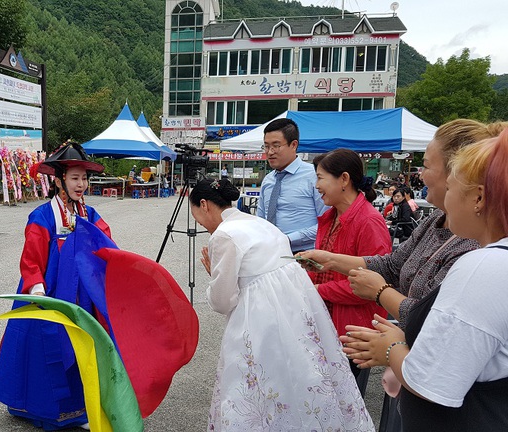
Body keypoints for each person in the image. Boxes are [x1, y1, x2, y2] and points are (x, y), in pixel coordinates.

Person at [298, 119, 489, 431]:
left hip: (417, 371)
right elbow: (390, 265)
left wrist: (380, 296)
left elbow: (438, 325)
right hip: (401, 361)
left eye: (427, 166)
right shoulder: (435, 221)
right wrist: (330, 260)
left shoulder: (476, 248)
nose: (420, 176)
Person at [342, 130, 508, 431]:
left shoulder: (483, 265)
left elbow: (433, 382)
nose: (444, 198)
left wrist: (391, 346)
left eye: (452, 187)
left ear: (479, 197)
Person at [190, 178, 373, 431]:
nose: (201, 223)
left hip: (257, 320)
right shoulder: (261, 224)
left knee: (258, 388)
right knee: (296, 379)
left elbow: (222, 301)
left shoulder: (224, 235)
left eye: (197, 216)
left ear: (204, 205)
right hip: (294, 314)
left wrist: (214, 279)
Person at [0, 141, 111, 430]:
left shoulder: (89, 214)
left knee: (81, 344)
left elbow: (106, 246)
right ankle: (38, 407)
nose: (81, 184)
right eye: (74, 178)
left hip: (81, 295)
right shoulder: (41, 216)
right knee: (44, 347)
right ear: (58, 181)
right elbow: (31, 262)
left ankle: (81, 409)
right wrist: (38, 290)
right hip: (47, 293)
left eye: (83, 178)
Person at [308, 148, 391, 394]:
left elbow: (373, 285)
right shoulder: (330, 217)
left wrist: (318, 290)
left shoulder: (368, 221)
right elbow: (326, 269)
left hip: (351, 332)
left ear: (344, 179)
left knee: (343, 401)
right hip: (325, 324)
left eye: (321, 178)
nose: (316, 185)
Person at [257, 118, 327, 252]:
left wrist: (288, 239)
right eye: (266, 146)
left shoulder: (314, 176)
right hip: (271, 254)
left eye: (276, 146)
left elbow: (327, 223)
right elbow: (261, 219)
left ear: (293, 145)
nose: (270, 152)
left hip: (305, 255)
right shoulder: (268, 180)